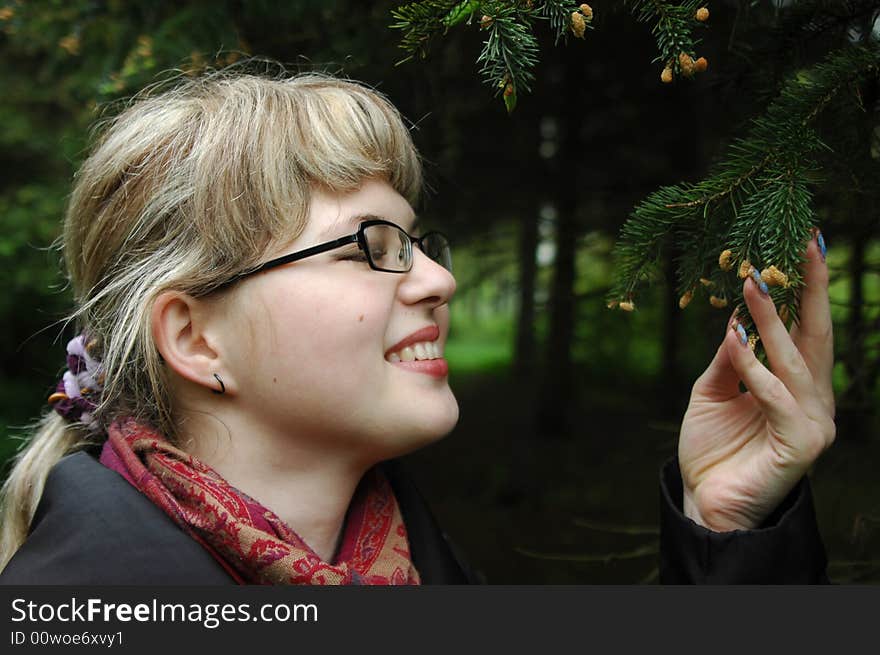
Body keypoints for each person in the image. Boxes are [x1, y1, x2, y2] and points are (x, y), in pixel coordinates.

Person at [0, 69, 835, 585]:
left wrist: (727, 534)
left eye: (420, 242)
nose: (441, 279)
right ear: (195, 338)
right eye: (374, 246)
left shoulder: (413, 565)